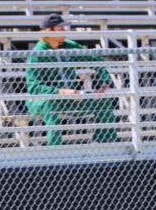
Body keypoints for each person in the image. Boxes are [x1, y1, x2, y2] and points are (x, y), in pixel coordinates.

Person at [25, 13, 118, 145]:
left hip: (69, 98)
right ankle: (55, 147)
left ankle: (102, 142)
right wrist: (61, 91)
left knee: (102, 101)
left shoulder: (68, 46)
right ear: (48, 31)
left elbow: (94, 57)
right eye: (61, 29)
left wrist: (104, 84)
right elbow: (34, 88)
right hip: (41, 101)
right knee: (50, 103)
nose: (65, 32)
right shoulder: (37, 53)